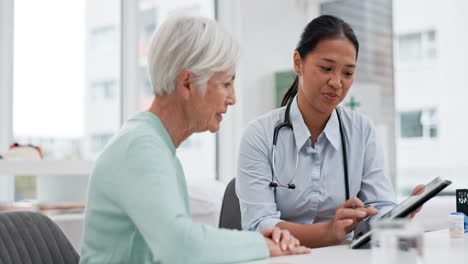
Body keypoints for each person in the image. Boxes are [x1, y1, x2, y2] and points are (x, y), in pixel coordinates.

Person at [79, 16, 310, 264]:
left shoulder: (153, 143)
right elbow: (180, 247)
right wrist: (259, 244)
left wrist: (255, 243)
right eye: (226, 84)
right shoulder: (141, 148)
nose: (232, 99)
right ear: (187, 83)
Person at [236, 15, 424, 248]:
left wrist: (398, 216)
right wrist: (327, 232)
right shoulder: (259, 134)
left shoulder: (361, 131)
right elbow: (259, 225)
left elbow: (378, 207)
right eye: (326, 68)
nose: (337, 82)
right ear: (298, 63)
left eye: (347, 73)